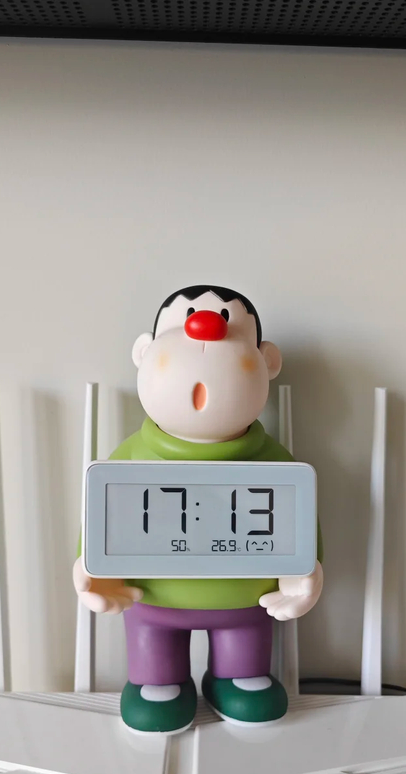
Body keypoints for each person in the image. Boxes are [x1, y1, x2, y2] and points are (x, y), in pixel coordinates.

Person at [73, 285, 323, 733]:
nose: (204, 330)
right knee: (156, 686)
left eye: (227, 322)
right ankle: (156, 681)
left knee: (247, 672)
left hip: (245, 607)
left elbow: (300, 524)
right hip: (154, 604)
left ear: (267, 361)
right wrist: (91, 571)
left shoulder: (276, 463)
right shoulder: (129, 458)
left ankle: (237, 678)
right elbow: (99, 520)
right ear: (144, 353)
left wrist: (307, 573)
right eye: (186, 318)